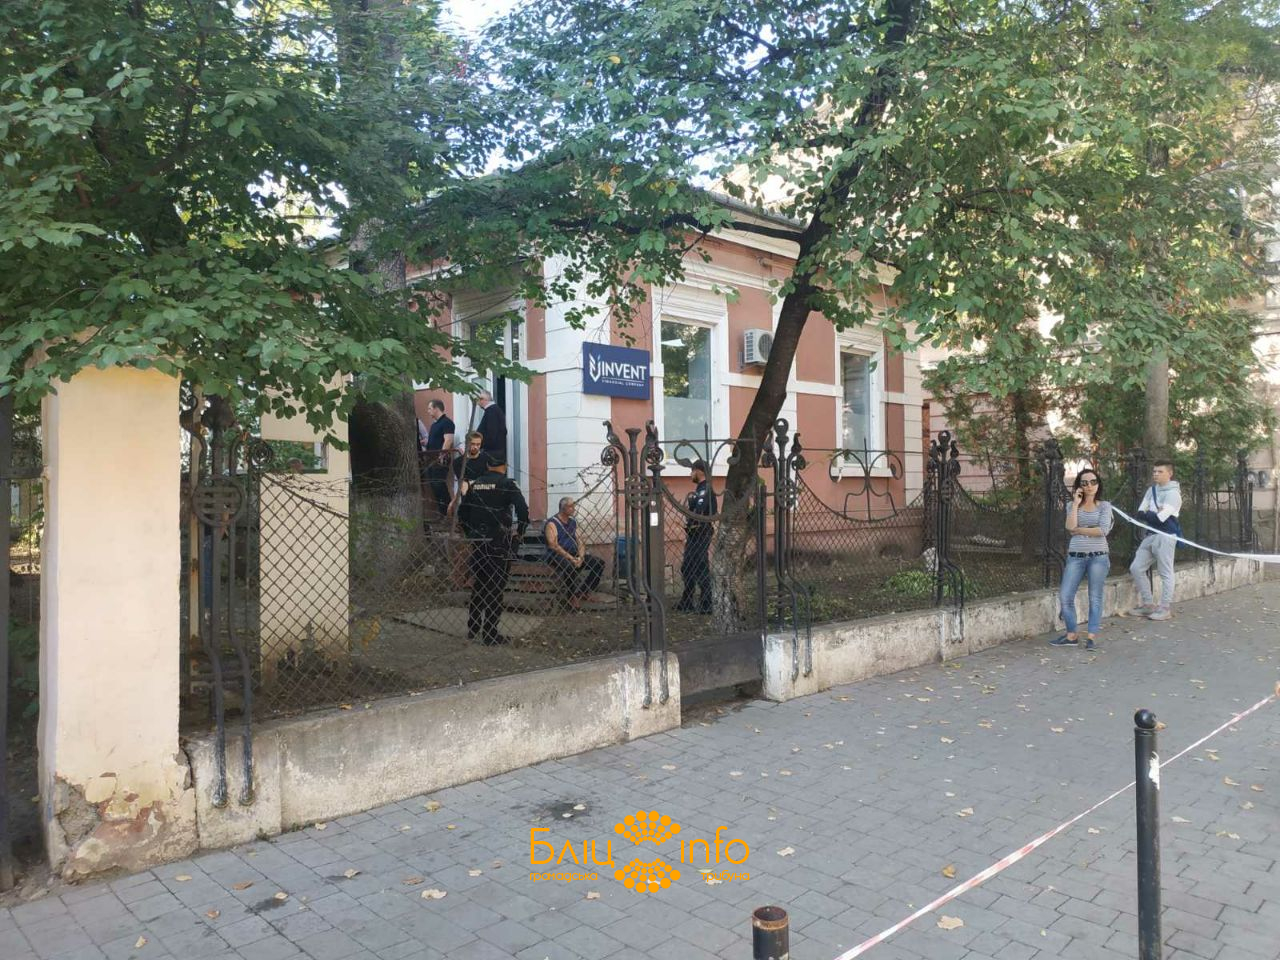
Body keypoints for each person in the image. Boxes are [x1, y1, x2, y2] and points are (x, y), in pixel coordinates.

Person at [459, 450, 529, 646]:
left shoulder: (475, 485)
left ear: (488, 466)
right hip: (499, 544)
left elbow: (462, 512)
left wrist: (470, 534)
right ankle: (490, 633)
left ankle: (473, 628)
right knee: (495, 588)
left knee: (479, 585)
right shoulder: (507, 484)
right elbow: (523, 511)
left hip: (479, 543)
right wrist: (520, 532)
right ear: (504, 467)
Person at [1050, 468, 1113, 651]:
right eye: (1084, 483)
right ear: (1079, 486)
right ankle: (1072, 635)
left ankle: (1091, 637)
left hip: (1098, 557)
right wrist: (1077, 504)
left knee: (1095, 597)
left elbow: (1102, 530)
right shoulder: (1072, 505)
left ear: (1098, 484)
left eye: (1093, 482)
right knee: (1065, 596)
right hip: (1075, 557)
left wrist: (1079, 530)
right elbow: (1070, 526)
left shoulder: (1104, 506)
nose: (1089, 486)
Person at [1128, 459, 1182, 622]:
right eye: (1154, 471)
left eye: (1160, 471)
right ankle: (1148, 604)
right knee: (1136, 568)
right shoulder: (1151, 491)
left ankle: (1165, 608)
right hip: (1150, 535)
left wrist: (1150, 514)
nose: (1156, 474)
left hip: (1166, 537)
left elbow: (1160, 519)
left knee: (1165, 572)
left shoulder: (1174, 494)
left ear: (1170, 473)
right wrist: (1153, 514)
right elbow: (1140, 513)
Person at [545, 497, 606, 610]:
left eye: (574, 506)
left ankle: (584, 591)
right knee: (570, 567)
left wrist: (581, 557)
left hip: (574, 553)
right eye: (571, 506)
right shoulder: (552, 523)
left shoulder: (573, 522)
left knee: (599, 563)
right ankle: (571, 596)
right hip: (557, 555)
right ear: (563, 508)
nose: (573, 509)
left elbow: (580, 540)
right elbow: (554, 545)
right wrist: (572, 559)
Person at [676, 459, 717, 613]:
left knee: (700, 567)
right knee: (688, 567)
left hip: (701, 533)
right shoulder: (700, 489)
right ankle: (686, 602)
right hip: (694, 534)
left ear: (699, 471)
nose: (690, 474)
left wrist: (691, 513)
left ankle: (707, 604)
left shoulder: (705, 489)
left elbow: (699, 511)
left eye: (692, 471)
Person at [420, 399, 455, 519]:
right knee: (434, 486)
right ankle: (442, 513)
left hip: (439, 459)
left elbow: (448, 440)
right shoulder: (435, 425)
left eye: (430, 408)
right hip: (431, 459)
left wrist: (441, 456)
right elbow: (434, 440)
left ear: (436, 408)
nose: (428, 411)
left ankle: (449, 513)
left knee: (439, 485)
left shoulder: (447, 423)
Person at [447, 431, 489, 515]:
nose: (475, 447)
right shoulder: (458, 462)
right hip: (469, 501)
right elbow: (464, 485)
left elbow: (491, 480)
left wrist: (473, 482)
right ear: (466, 443)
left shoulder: (486, 459)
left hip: (486, 499)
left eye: (478, 444)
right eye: (473, 444)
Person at [476, 389, 507, 459]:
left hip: (491, 453)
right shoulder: (493, 410)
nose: (477, 403)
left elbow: (491, 435)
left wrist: (477, 446)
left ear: (482, 400)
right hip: (493, 452)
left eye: (478, 400)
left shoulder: (492, 411)